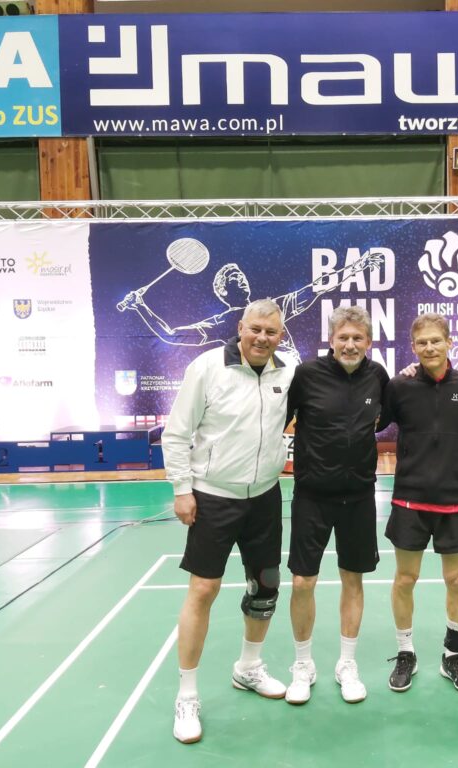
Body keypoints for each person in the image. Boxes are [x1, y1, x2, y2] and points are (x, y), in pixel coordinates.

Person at [161, 299, 295, 745]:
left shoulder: (288, 371)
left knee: (265, 586)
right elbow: (176, 433)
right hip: (213, 498)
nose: (262, 338)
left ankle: (248, 668)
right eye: (255, 329)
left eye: (271, 332)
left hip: (265, 498)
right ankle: (187, 695)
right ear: (240, 327)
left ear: (280, 335)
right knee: (203, 590)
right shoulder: (207, 367)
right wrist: (182, 489)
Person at [284, 306, 390, 705]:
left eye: (357, 338)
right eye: (343, 337)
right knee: (302, 582)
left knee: (353, 580)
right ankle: (302, 664)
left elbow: (385, 417)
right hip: (312, 495)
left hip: (359, 496)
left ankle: (347, 663)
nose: (350, 344)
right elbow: (280, 417)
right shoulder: (307, 375)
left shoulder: (377, 376)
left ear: (368, 342)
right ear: (331, 340)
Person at [382, 313, 458, 694]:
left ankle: (451, 655)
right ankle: (405, 652)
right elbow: (372, 420)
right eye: (421, 342)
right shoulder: (399, 386)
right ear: (413, 347)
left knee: (457, 580)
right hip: (410, 499)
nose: (429, 347)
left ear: (449, 342)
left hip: (455, 500)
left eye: (435, 340)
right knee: (405, 579)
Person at [119, 251, 383, 364]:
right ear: (223, 291)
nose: (242, 280)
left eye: (242, 276)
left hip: (290, 377)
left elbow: (316, 287)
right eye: (235, 279)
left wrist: (357, 267)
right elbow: (170, 334)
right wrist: (141, 306)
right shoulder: (220, 323)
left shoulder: (274, 307)